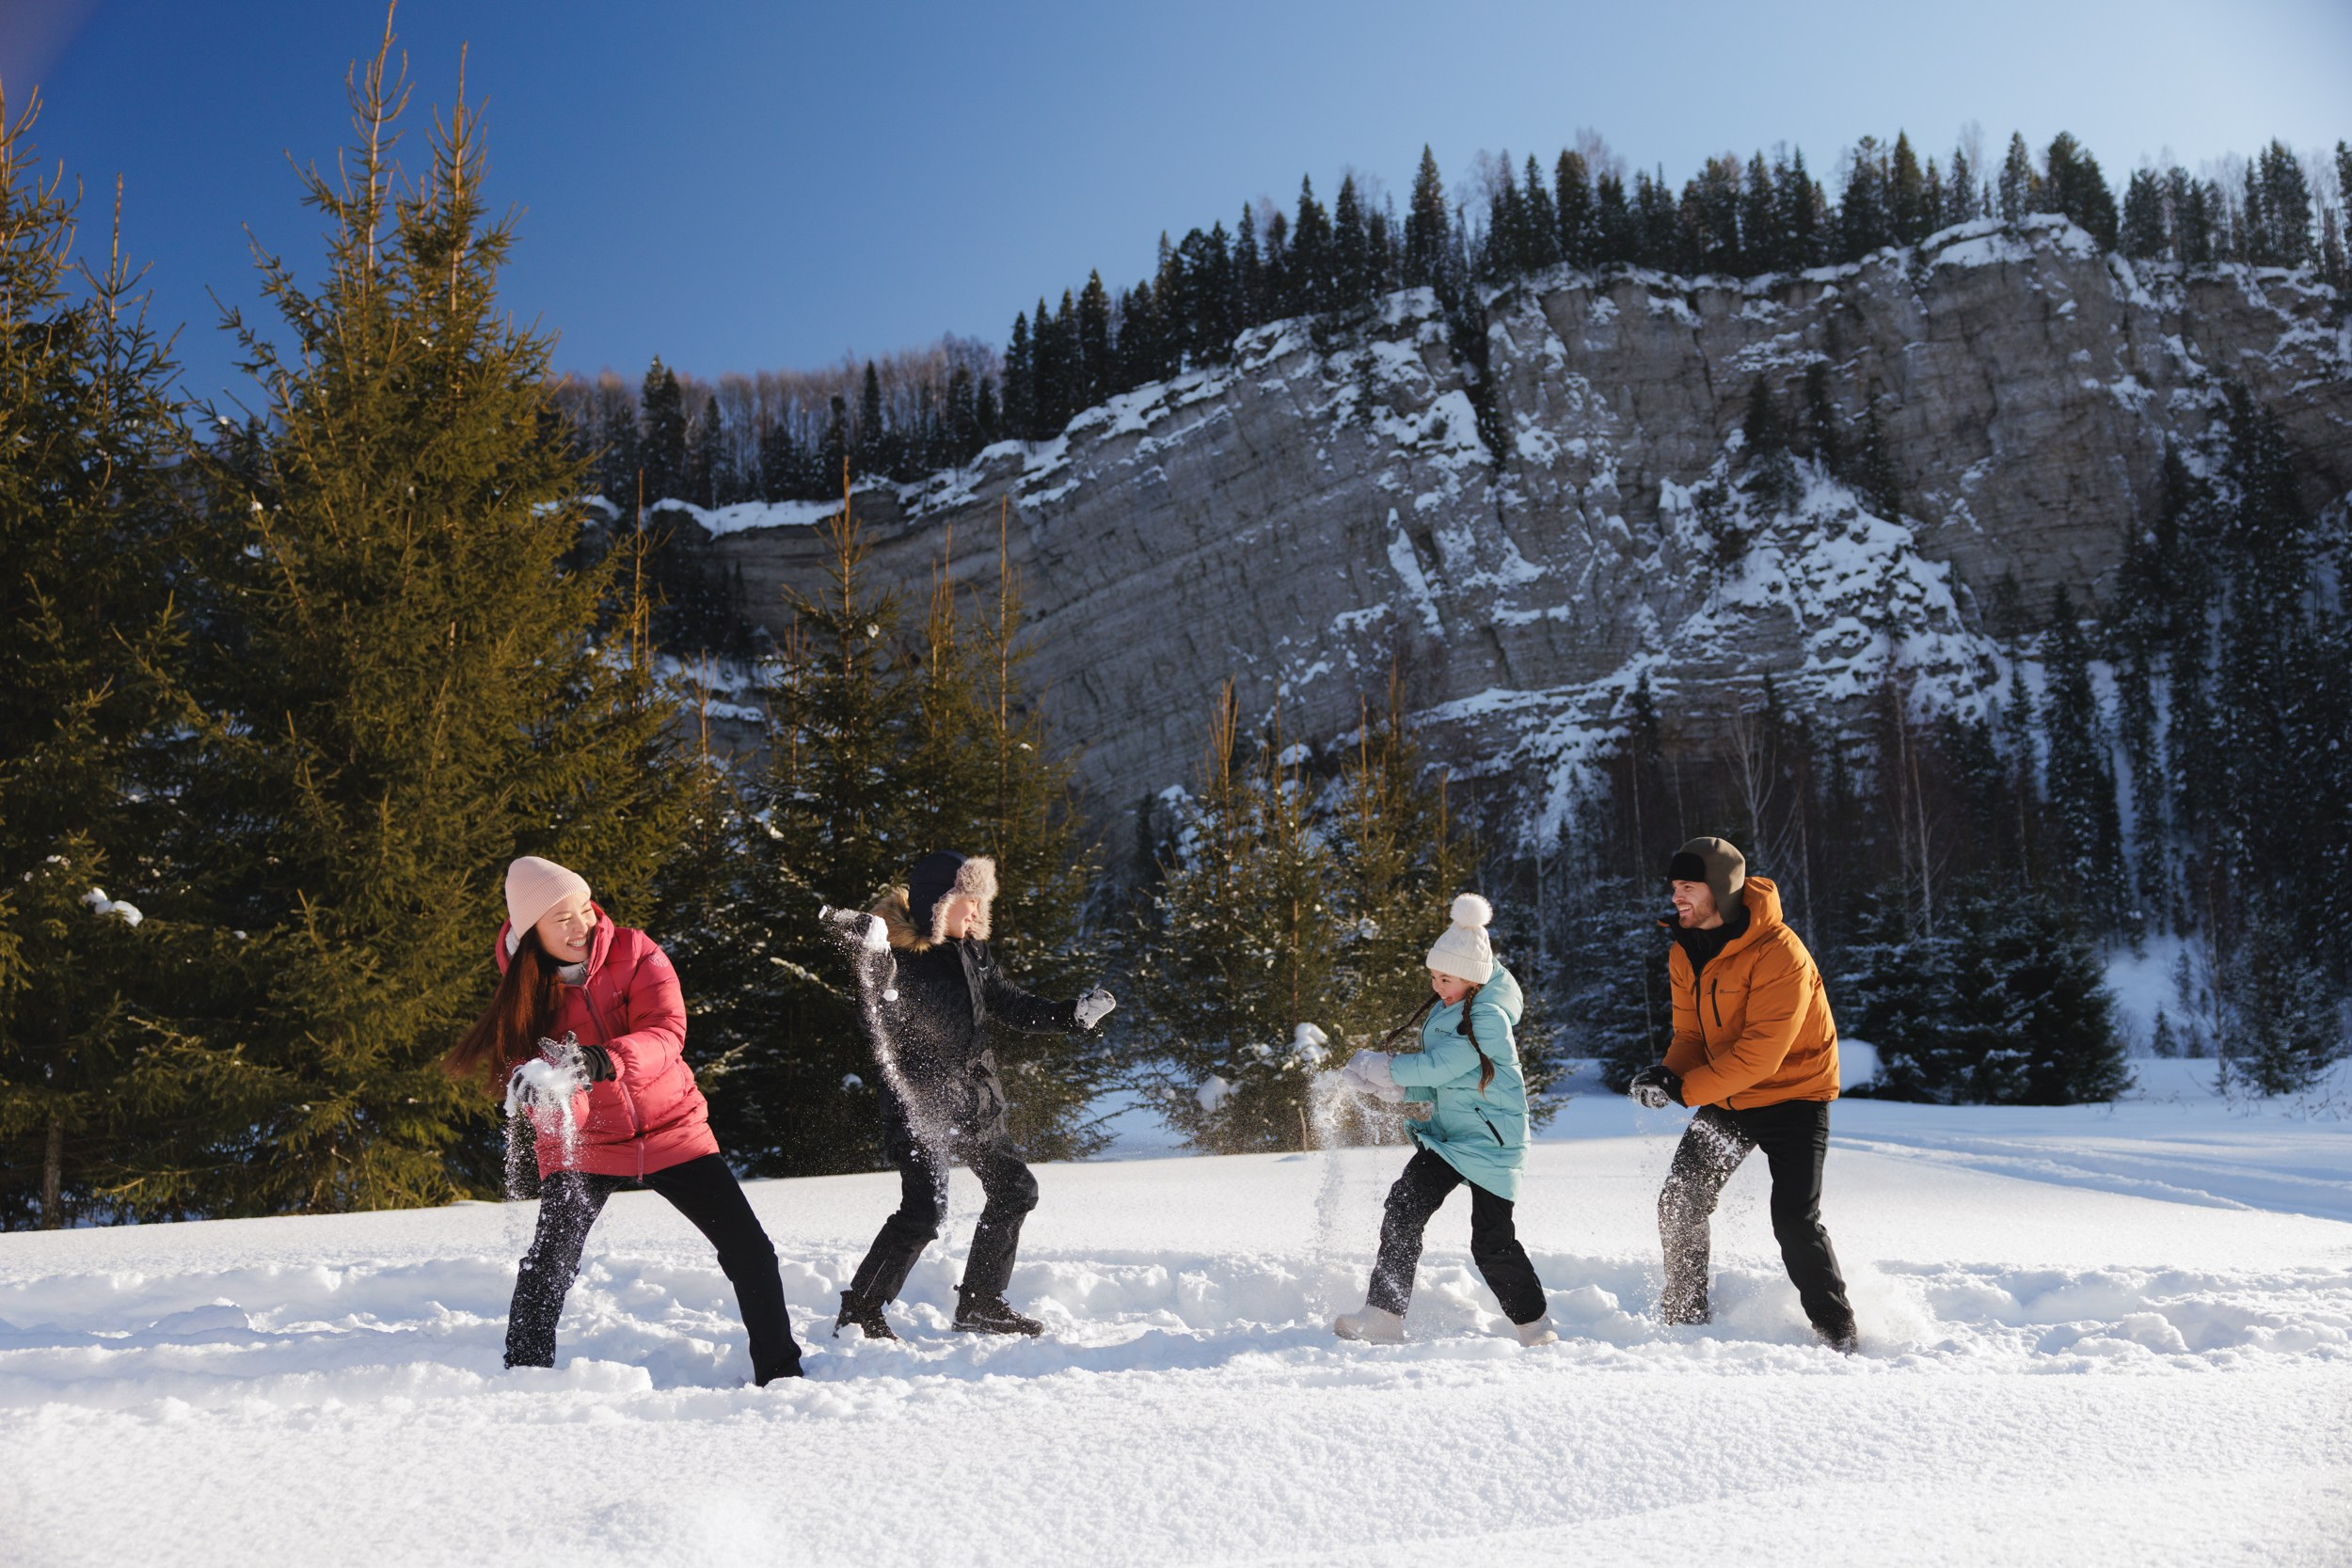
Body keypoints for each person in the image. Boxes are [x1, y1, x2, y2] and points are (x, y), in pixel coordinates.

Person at [447, 854, 803, 1383]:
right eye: (561, 918)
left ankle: (781, 1375)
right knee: (549, 1262)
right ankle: (523, 1377)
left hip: (672, 1128)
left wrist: (602, 1059)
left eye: (583, 909)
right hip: (588, 1145)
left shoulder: (636, 951)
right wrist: (553, 1094)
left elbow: (667, 1030)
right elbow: (561, 1107)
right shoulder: (523, 999)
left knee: (749, 1250)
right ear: (531, 934)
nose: (581, 926)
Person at [831, 850, 1116, 1339]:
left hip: (975, 1099)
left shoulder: (973, 953)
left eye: (982, 902)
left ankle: (982, 1305)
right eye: (970, 902)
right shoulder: (896, 957)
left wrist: (1070, 1015)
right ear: (940, 905)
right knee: (923, 1212)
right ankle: (860, 1312)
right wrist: (872, 956)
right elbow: (874, 1011)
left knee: (1014, 1190)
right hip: (921, 1104)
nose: (978, 912)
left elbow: (1012, 1004)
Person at [1628, 836, 1858, 1353]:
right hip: (1730, 1099)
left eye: (1688, 887)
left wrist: (1684, 1089)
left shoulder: (1781, 952)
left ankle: (1838, 1333)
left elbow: (1761, 1055)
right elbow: (1690, 1036)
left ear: (1721, 890)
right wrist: (1666, 1073)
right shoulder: (1685, 948)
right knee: (1681, 1199)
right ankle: (1685, 1320)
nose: (1676, 898)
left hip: (1795, 1097)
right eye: (1674, 887)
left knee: (1794, 1220)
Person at [1332, 895, 1557, 1347]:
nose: (1437, 985)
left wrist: (1388, 1068)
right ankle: (1384, 1314)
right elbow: (1442, 1082)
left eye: (1446, 977)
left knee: (1491, 1242)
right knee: (1404, 1209)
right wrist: (1391, 1088)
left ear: (1472, 977)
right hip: (1451, 1138)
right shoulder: (1452, 1008)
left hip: (1492, 1143)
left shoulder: (1487, 1018)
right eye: (1434, 976)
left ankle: (1535, 1328)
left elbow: (1443, 1065)